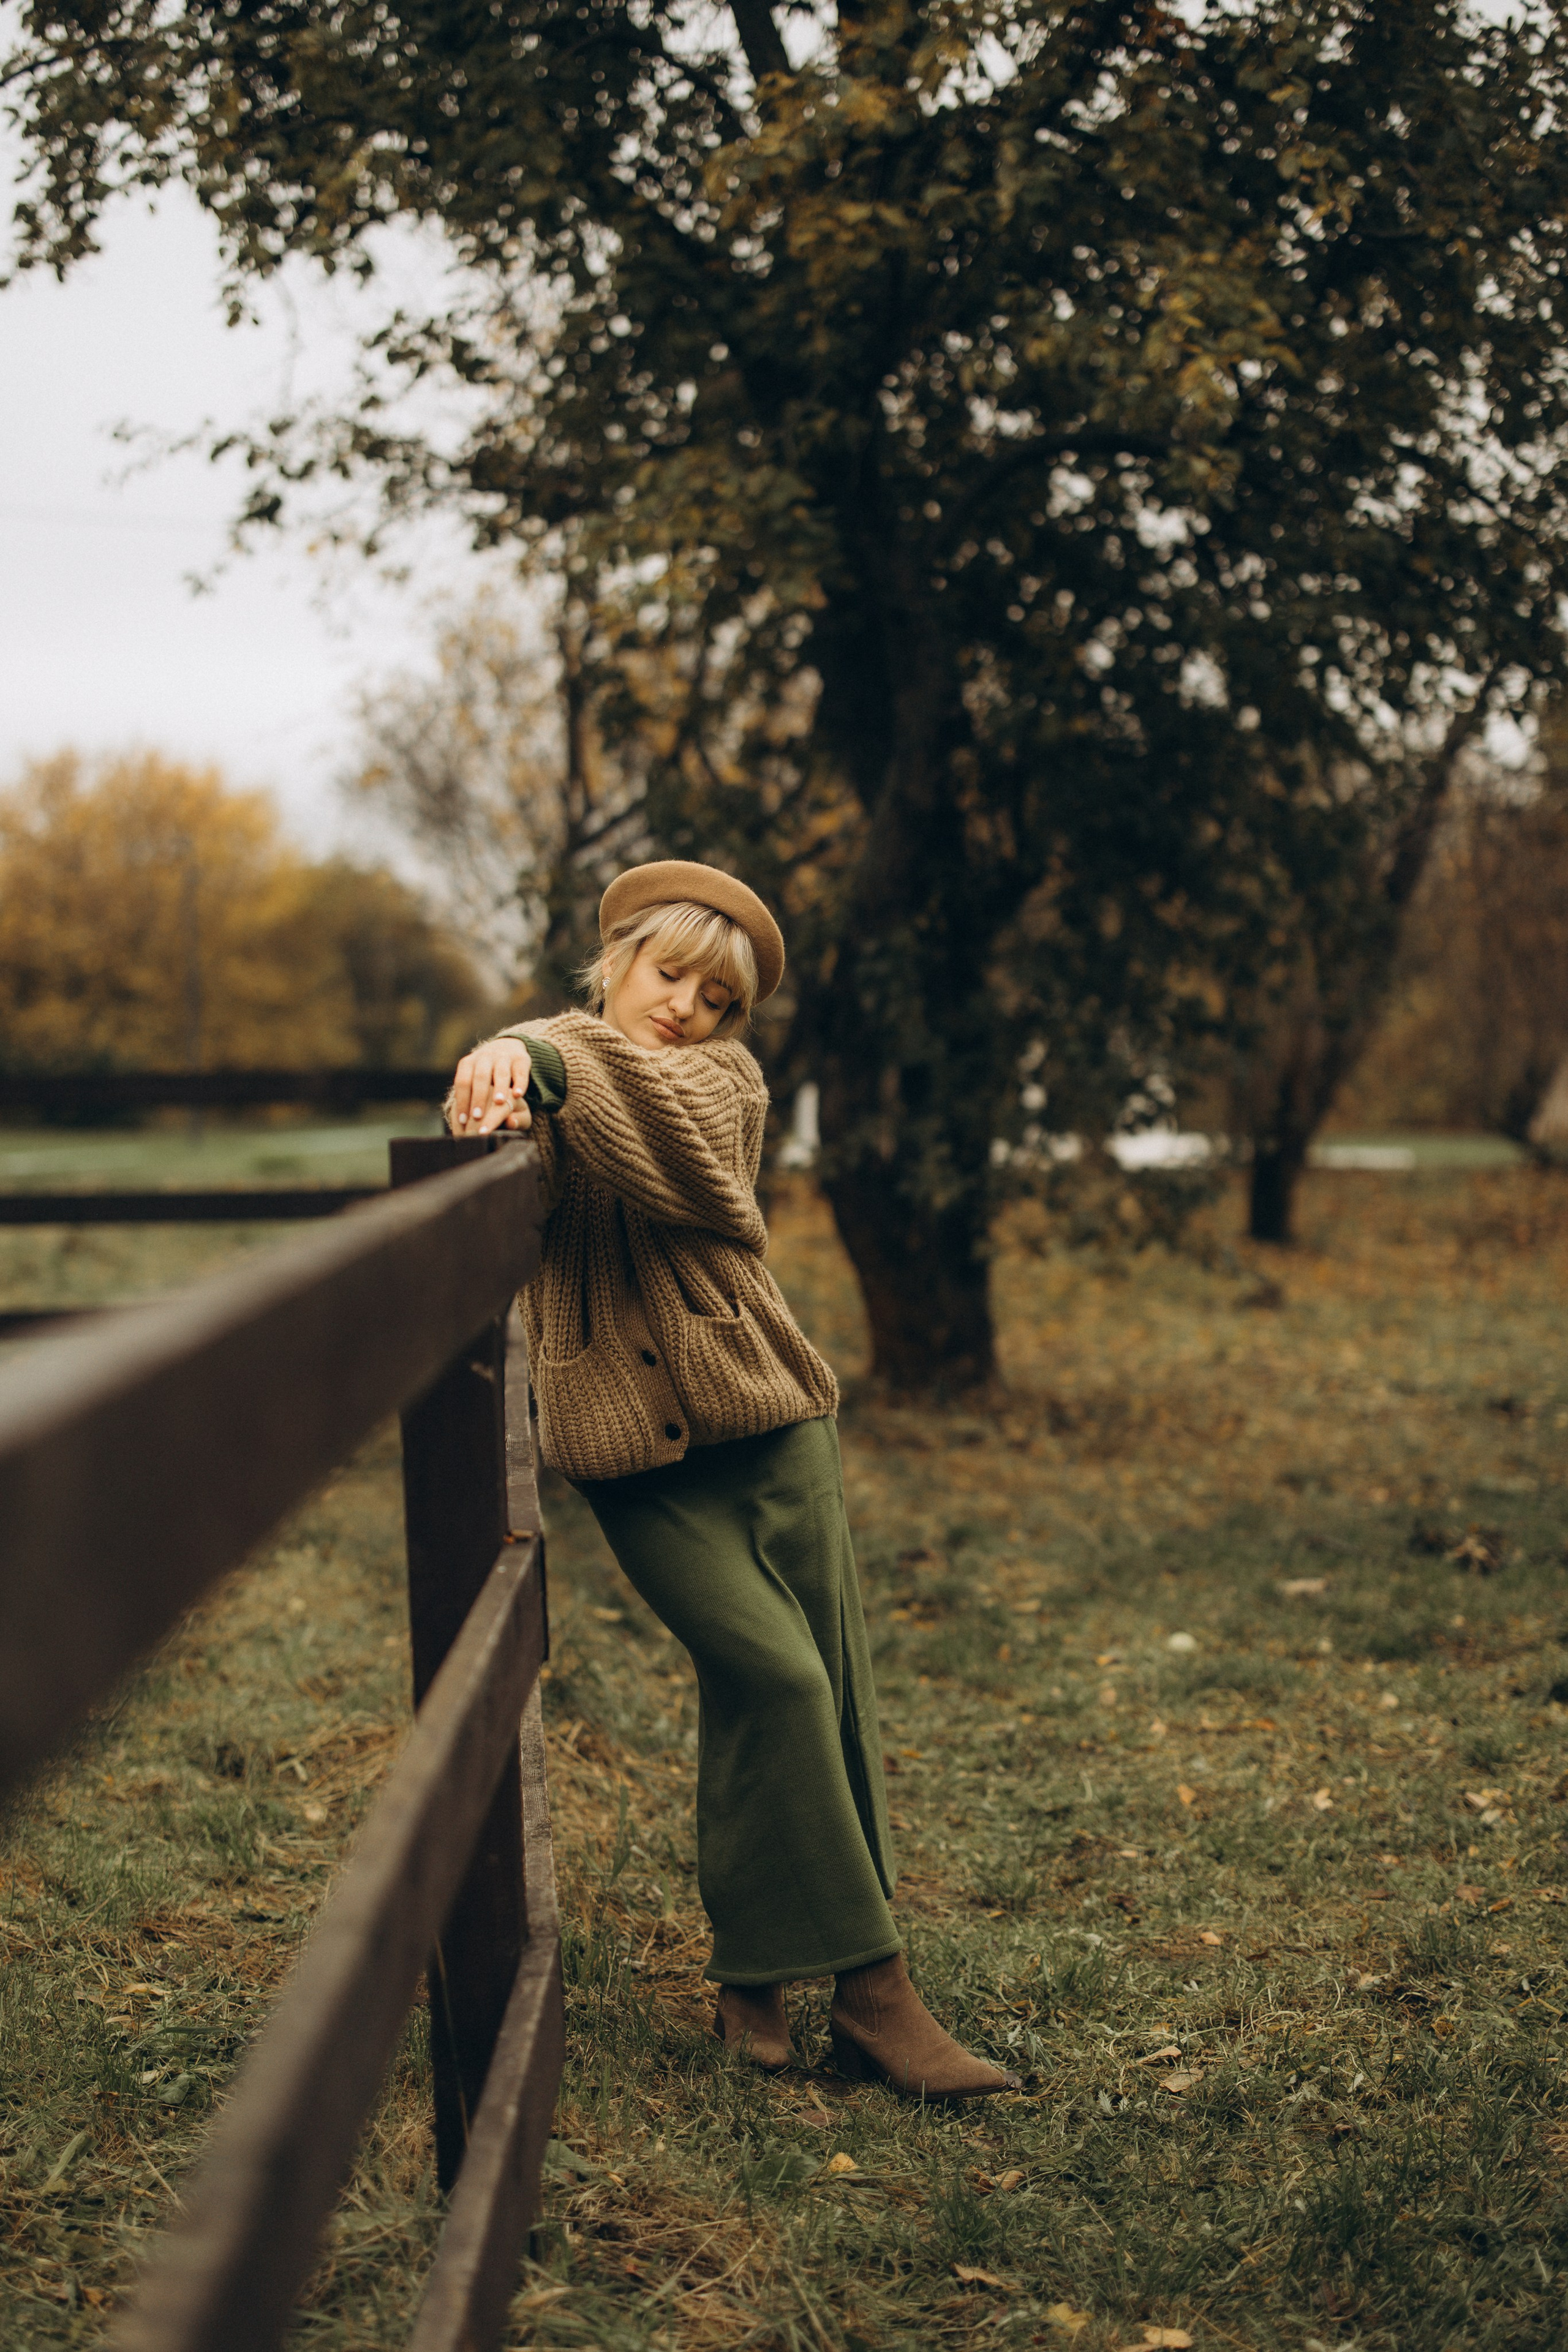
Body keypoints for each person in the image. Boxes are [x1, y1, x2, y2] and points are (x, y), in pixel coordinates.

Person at [447, 859, 1017, 2099]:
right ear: (616, 962)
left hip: (769, 1424)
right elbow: (515, 1156)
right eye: (671, 976)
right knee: (775, 1677)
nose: (688, 1009)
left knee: (821, 1697)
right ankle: (874, 1993)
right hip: (633, 1455)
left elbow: (677, 1147)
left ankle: (756, 1993)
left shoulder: (724, 1082)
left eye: (717, 998)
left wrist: (533, 1056)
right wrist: (508, 1076)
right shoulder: (551, 1062)